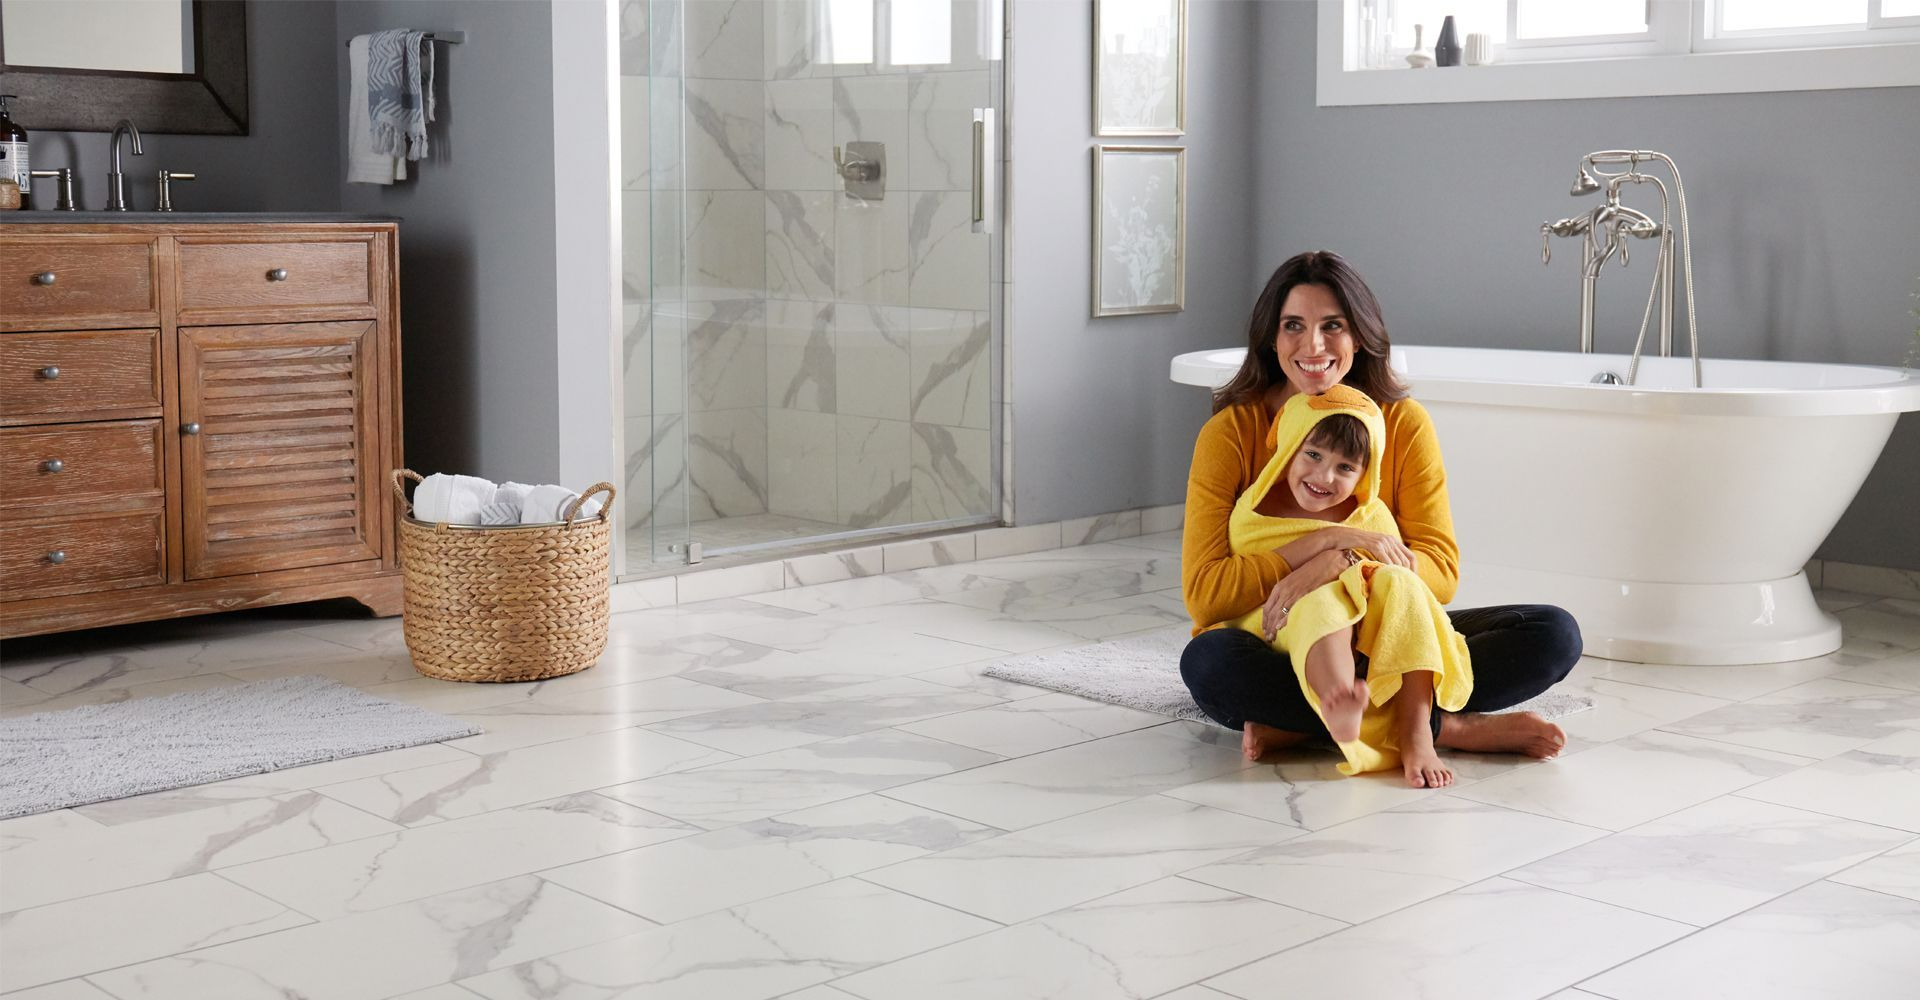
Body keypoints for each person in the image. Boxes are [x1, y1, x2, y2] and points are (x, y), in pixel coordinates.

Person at [1180, 250, 1580, 778]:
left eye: (1333, 327)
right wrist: (1312, 563)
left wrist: (1341, 565)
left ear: (1360, 335)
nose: (1313, 346)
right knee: (1210, 665)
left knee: (1553, 633)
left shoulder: (1402, 424)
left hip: (1391, 629)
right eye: (1293, 326)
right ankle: (1450, 728)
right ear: (1271, 339)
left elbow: (1439, 573)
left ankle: (1310, 723)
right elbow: (1207, 594)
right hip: (1282, 635)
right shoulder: (1232, 432)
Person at [1219, 385, 1473, 787]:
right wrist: (1324, 548)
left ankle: (1413, 731)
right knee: (1309, 610)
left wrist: (1342, 562)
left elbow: (1411, 580)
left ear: (1365, 474)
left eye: (1345, 468)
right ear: (1289, 448)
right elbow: (1240, 591)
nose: (1324, 477)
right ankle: (1340, 703)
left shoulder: (1370, 515)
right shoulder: (1254, 513)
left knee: (1402, 583)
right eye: (1313, 455)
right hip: (1283, 638)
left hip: (1373, 649)